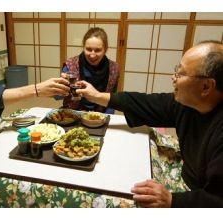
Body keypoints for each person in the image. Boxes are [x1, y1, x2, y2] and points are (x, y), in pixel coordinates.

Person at [76, 40, 223, 207]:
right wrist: (96, 95)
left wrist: (172, 200)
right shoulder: (188, 104)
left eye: (180, 74)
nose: (173, 78)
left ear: (206, 86)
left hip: (195, 195)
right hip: (187, 172)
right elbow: (145, 103)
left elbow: (217, 200)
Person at [61, 27, 119, 114]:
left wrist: (107, 118)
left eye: (98, 50)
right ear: (83, 47)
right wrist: (62, 88)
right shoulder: (70, 65)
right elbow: (57, 97)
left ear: (105, 49)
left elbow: (111, 98)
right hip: (73, 113)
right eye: (88, 49)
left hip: (100, 115)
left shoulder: (114, 68)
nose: (92, 55)